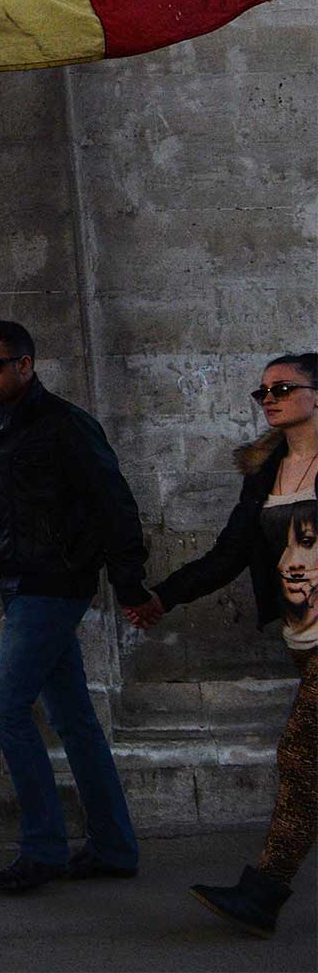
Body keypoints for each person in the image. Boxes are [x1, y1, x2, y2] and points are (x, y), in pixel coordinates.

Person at [0, 320, 151, 894]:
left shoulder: (65, 426)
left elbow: (116, 505)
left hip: (54, 585)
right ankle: (113, 847)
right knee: (73, 719)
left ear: (26, 364)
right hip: (17, 584)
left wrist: (130, 586)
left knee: (5, 706)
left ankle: (42, 850)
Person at [125, 351, 318, 936]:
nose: (269, 399)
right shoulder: (266, 473)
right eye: (261, 392)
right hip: (302, 638)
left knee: (301, 756)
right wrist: (164, 596)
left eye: (282, 387)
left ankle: (264, 893)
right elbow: (230, 553)